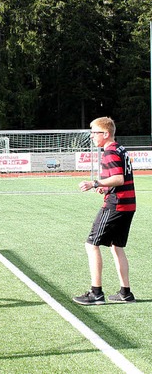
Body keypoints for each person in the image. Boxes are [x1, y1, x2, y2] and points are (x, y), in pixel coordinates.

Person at [74, 117, 136, 305]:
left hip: (116, 205)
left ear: (106, 134)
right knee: (117, 247)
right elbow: (119, 179)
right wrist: (105, 187)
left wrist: (95, 183)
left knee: (91, 244)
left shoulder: (110, 152)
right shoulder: (120, 149)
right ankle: (126, 293)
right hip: (128, 204)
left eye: (94, 132)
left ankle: (96, 293)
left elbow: (118, 178)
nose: (92, 136)